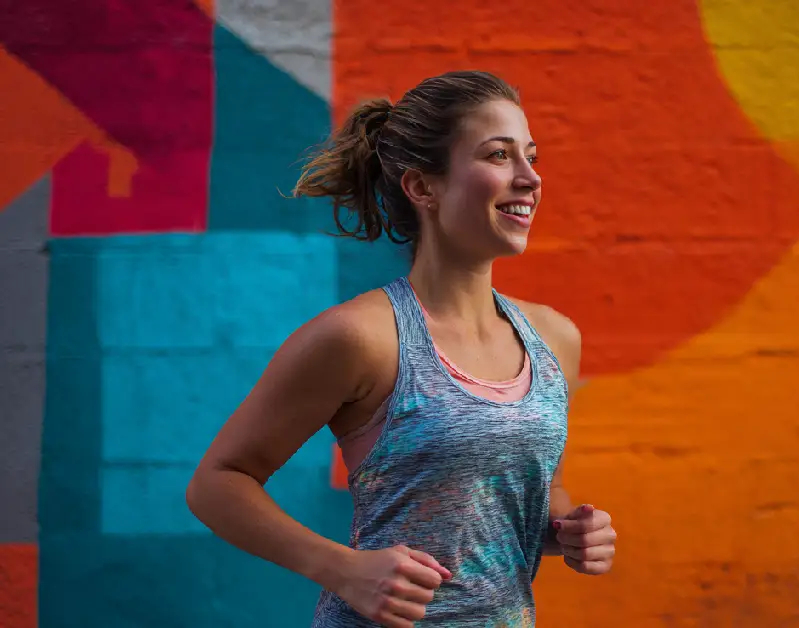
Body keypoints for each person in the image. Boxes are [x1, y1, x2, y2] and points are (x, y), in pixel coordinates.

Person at [186, 70, 617, 627]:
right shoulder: (362, 338)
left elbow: (535, 491)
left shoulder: (556, 338)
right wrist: (341, 569)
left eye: (531, 156)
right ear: (422, 188)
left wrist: (569, 531)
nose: (530, 178)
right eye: (498, 155)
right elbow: (216, 483)